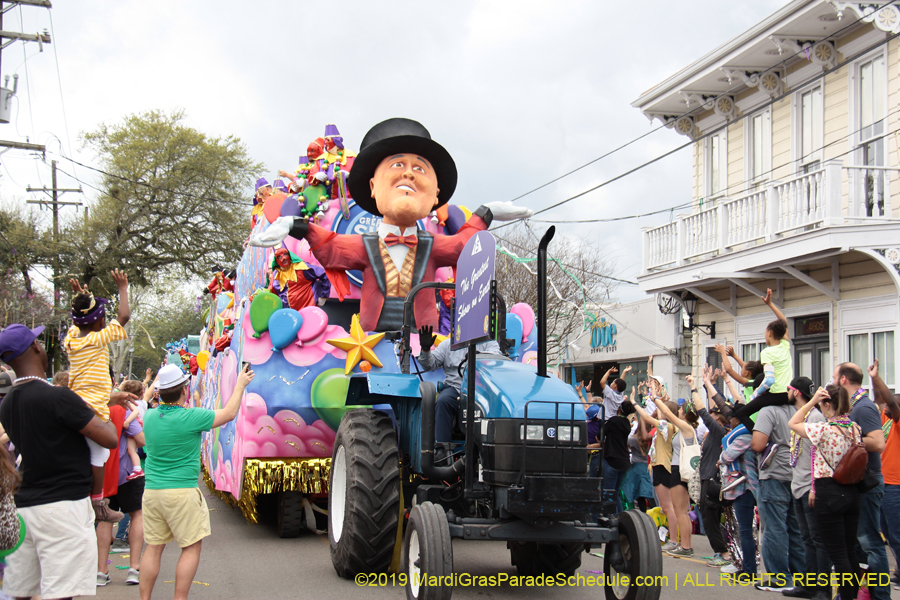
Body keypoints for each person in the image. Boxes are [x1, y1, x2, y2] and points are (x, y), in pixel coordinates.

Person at [250, 117, 532, 332]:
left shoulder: (432, 246)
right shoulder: (364, 245)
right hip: (372, 343)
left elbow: (462, 245)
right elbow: (330, 248)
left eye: (420, 168)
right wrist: (295, 225)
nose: (408, 174)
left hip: (424, 344)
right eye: (397, 165)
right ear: (373, 186)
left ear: (435, 193)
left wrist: (487, 212)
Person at [0, 323, 134, 600]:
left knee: (23, 593)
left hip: (23, 507)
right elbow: (109, 437)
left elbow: (50, 419)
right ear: (36, 347)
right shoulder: (59, 397)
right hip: (62, 509)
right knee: (60, 594)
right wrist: (97, 405)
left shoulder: (9, 401)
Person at [139, 363, 254, 600]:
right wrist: (240, 384)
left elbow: (146, 396)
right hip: (181, 491)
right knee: (190, 547)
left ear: (160, 392)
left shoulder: (149, 416)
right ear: (184, 390)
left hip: (152, 492)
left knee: (153, 547)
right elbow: (229, 413)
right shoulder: (192, 417)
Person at [64, 269, 131, 523]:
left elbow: (78, 320)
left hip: (74, 404)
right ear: (97, 321)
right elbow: (123, 316)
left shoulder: (72, 340)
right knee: (100, 453)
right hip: (93, 410)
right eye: (102, 316)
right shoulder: (99, 338)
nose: (106, 319)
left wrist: (81, 297)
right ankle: (98, 503)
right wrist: (122, 288)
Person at [789, 385, 863, 600]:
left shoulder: (823, 429)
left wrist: (810, 402)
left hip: (828, 490)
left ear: (828, 405)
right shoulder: (855, 428)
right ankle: (850, 596)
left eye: (822, 404)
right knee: (849, 550)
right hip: (852, 491)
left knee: (837, 553)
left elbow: (793, 423)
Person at [833, 362, 889, 600]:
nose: (833, 380)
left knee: (870, 543)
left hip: (868, 482)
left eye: (835, 376)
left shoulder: (864, 407)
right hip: (854, 482)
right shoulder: (851, 406)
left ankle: (881, 596)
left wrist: (846, 434)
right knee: (856, 544)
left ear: (843, 379)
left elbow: (878, 443)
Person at [749, 374, 805, 593]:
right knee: (796, 529)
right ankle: (800, 576)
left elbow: (757, 444)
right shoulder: (797, 412)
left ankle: (779, 577)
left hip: (774, 474)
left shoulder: (768, 411)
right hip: (796, 473)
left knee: (774, 528)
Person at [417, 325, 501, 460]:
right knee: (443, 401)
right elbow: (429, 365)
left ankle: (493, 449)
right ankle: (442, 450)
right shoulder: (447, 345)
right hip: (455, 387)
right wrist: (426, 349)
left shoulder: (487, 342)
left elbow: (496, 357)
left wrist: (480, 356)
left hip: (480, 389)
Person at [784, 376, 830, 600]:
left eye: (789, 389)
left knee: (818, 540)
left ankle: (823, 589)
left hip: (811, 487)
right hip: (798, 484)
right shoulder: (803, 414)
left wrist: (814, 486)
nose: (787, 393)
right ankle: (808, 585)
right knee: (806, 539)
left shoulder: (816, 416)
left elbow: (819, 454)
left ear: (796, 392)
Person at [96, 400, 145, 587]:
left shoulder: (94, 411)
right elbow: (141, 439)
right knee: (136, 515)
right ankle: (134, 568)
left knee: (104, 518)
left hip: (102, 473)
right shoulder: (123, 412)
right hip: (127, 474)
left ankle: (101, 570)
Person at [629, 396, 683, 554]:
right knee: (671, 507)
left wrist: (634, 402)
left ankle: (673, 540)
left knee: (667, 507)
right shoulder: (671, 426)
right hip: (665, 465)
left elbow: (645, 417)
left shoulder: (665, 425)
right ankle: (676, 539)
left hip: (661, 465)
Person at [733, 289, 792, 432]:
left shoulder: (767, 352)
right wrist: (770, 304)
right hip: (787, 393)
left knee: (741, 412)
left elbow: (770, 380)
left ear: (770, 333)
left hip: (775, 394)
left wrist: (755, 394)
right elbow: (784, 323)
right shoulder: (785, 346)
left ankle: (759, 436)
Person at [692, 369, 732, 568]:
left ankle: (723, 552)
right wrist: (709, 384)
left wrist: (694, 388)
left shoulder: (719, 430)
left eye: (716, 414)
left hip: (712, 479)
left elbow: (702, 411)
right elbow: (709, 409)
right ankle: (724, 551)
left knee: (710, 519)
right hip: (709, 477)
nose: (712, 415)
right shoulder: (718, 431)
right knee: (711, 518)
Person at [868, 359, 900, 591]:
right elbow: (881, 399)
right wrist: (872, 378)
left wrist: (878, 378)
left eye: (892, 405)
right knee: (887, 532)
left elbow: (887, 399)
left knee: (896, 533)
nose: (885, 407)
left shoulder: (898, 420)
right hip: (883, 484)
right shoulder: (885, 419)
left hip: (895, 486)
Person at [718, 406, 759, 581]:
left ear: (738, 420)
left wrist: (720, 458)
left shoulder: (743, 437)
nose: (730, 421)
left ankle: (749, 569)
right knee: (746, 530)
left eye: (732, 418)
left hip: (744, 487)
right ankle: (746, 565)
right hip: (749, 486)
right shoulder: (751, 435)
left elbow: (726, 457)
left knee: (744, 530)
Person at [601, 396, 635, 514]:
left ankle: (612, 519)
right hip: (624, 460)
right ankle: (621, 518)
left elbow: (599, 435)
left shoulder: (613, 421)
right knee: (616, 493)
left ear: (619, 408)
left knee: (609, 493)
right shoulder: (627, 423)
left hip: (612, 459)